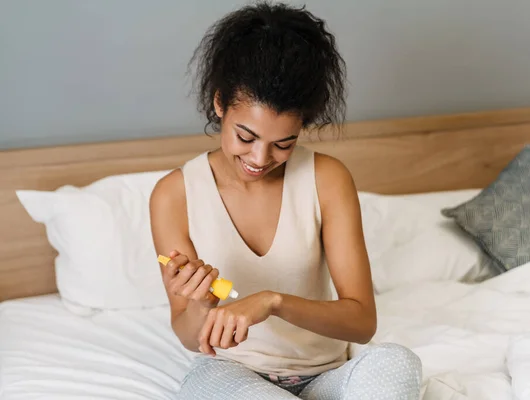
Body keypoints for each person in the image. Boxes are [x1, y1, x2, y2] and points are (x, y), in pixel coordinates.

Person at [149, 2, 422, 399]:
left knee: (397, 361)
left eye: (284, 144)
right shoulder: (174, 194)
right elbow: (191, 338)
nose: (260, 160)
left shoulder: (327, 179)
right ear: (220, 102)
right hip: (231, 375)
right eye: (246, 137)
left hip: (327, 375)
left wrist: (272, 302)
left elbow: (362, 323)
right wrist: (202, 305)